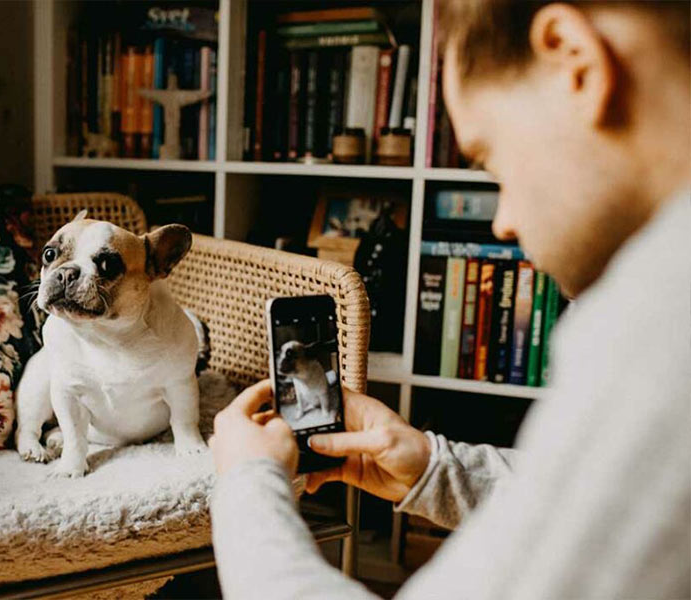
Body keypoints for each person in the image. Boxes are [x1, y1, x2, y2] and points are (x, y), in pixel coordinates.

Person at [207, 1, 690, 598]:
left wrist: (247, 483)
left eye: (491, 162)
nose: (503, 223)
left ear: (574, 61)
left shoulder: (662, 329)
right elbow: (598, 502)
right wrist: (436, 467)